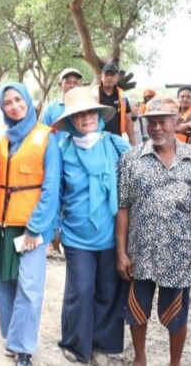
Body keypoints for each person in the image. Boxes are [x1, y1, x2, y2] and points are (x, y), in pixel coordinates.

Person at [116, 96, 191, 366]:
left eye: (163, 122)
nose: (156, 127)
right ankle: (140, 358)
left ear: (176, 121)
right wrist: (121, 253)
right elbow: (123, 207)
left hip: (179, 253)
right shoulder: (131, 159)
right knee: (137, 310)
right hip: (141, 252)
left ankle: (174, 362)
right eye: (151, 122)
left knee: (177, 315)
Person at [52, 86, 130, 364]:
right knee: (81, 291)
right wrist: (54, 228)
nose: (86, 118)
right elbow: (56, 191)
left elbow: (138, 176)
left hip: (112, 234)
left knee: (108, 292)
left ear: (98, 115)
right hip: (77, 236)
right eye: (79, 114)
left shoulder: (116, 145)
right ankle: (75, 344)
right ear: (71, 121)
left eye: (91, 112)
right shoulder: (63, 149)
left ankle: (102, 344)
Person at [0, 82, 60, 366]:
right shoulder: (0, 139)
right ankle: (11, 337)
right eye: (7, 102)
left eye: (18, 100)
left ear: (28, 102)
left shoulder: (46, 137)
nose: (14, 106)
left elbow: (51, 188)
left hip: (32, 228)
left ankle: (23, 348)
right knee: (3, 282)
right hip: (4, 226)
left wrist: (35, 227)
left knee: (29, 287)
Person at [96, 63, 137, 146]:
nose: (109, 77)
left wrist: (132, 140)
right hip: (97, 139)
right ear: (101, 76)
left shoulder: (122, 95)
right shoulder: (93, 93)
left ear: (116, 78)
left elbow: (128, 120)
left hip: (117, 139)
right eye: (107, 74)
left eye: (112, 75)